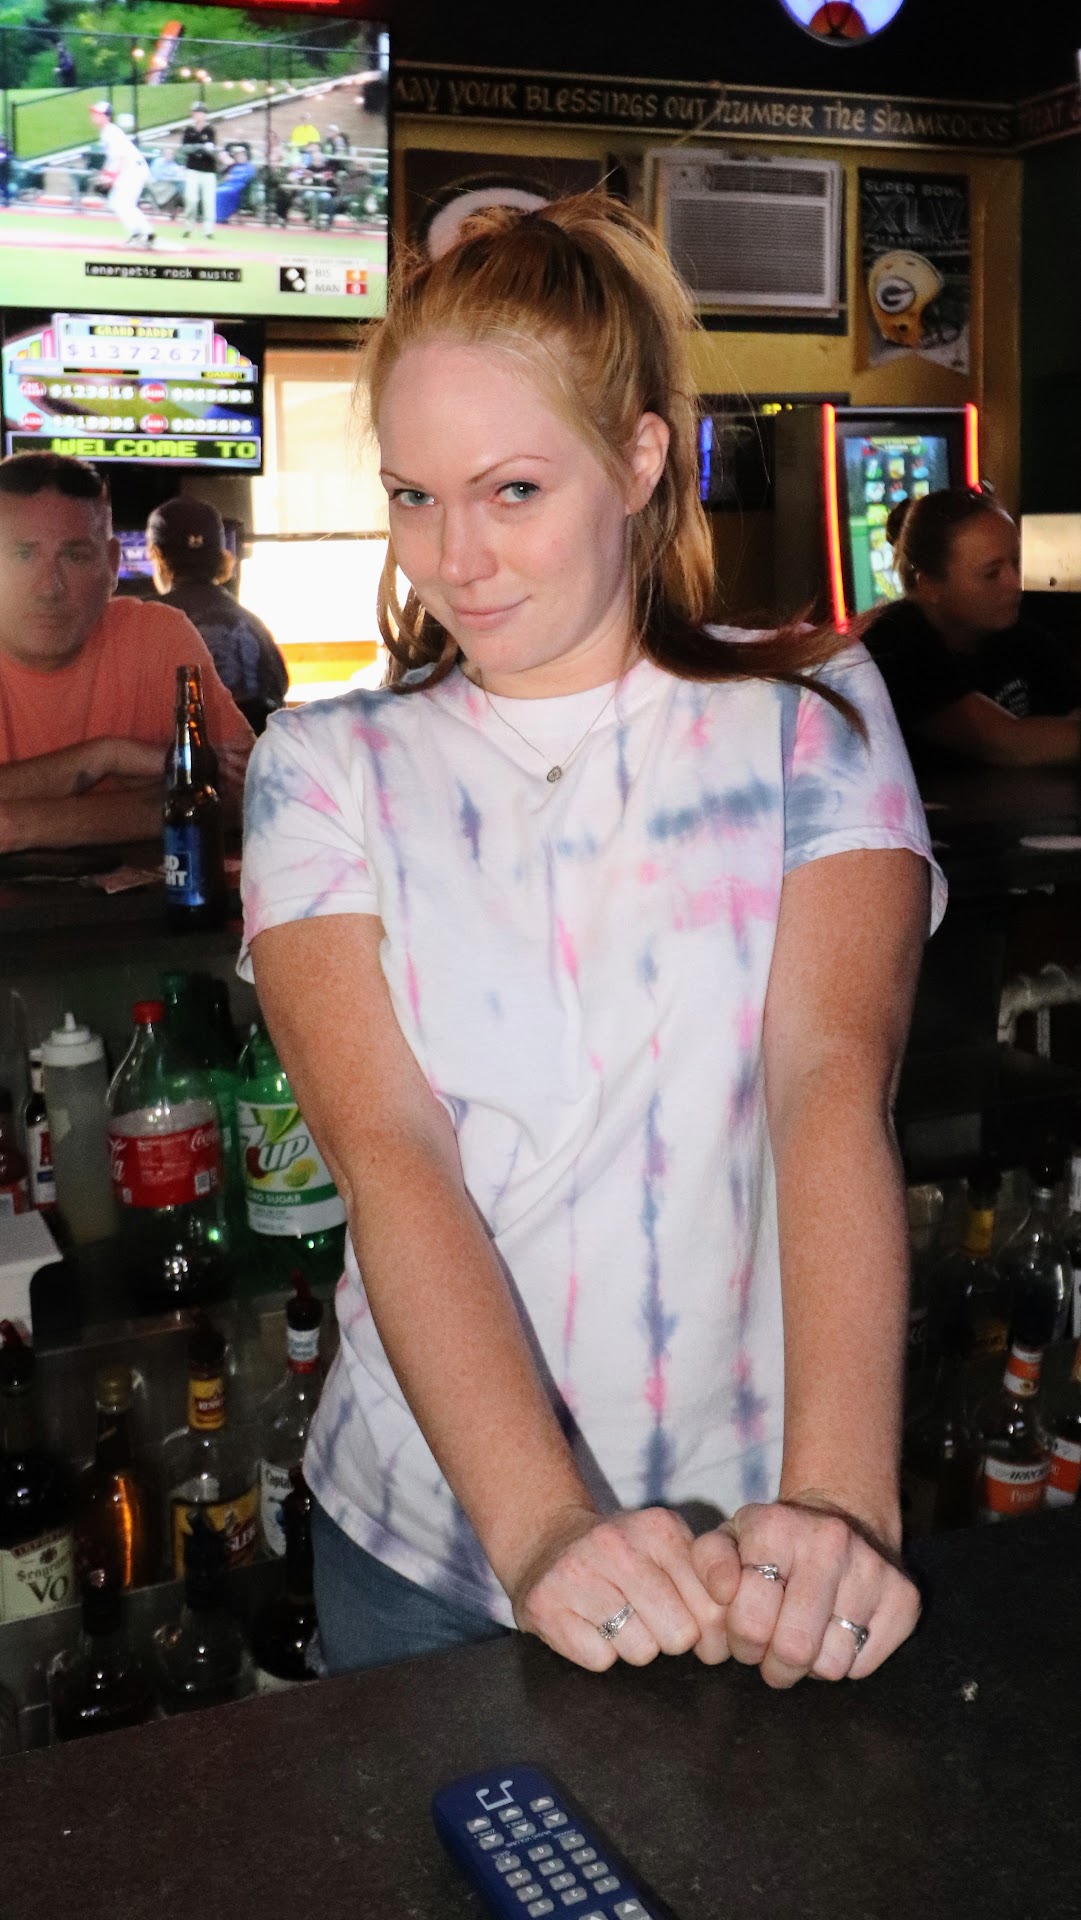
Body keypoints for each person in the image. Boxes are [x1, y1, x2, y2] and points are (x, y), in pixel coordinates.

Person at [240, 196, 944, 1690]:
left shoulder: (810, 714)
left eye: (511, 490)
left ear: (637, 460)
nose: (455, 558)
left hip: (750, 1536)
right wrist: (543, 1525)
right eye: (413, 496)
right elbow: (389, 1153)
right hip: (430, 1539)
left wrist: (836, 1505)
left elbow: (828, 1083)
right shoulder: (323, 767)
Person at [0, 453, 252, 850]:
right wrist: (105, 756)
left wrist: (18, 824)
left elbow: (248, 794)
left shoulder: (157, 636)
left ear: (112, 565)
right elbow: (207, 800)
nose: (49, 588)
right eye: (22, 554)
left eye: (76, 556)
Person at [865, 488, 1081, 772]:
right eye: (991, 574)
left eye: (1016, 562)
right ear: (928, 585)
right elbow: (1003, 743)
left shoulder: (1015, 630)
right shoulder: (893, 642)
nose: (1015, 583)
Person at [147, 496, 288, 728]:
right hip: (256, 749)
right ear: (223, 557)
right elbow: (277, 694)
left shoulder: (143, 621)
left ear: (157, 555)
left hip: (181, 749)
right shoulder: (254, 625)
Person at [88, 102, 154, 249]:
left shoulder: (111, 132)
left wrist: (111, 177)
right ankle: (143, 234)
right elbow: (113, 158)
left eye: (97, 113)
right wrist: (105, 174)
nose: (93, 116)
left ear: (106, 116)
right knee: (119, 202)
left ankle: (143, 234)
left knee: (122, 203)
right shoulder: (107, 131)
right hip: (130, 169)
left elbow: (121, 157)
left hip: (133, 169)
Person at [177, 102, 217, 241]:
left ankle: (208, 231)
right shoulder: (189, 130)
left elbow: (210, 149)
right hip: (192, 168)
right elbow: (184, 149)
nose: (196, 115)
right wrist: (200, 147)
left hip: (208, 169)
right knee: (191, 199)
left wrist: (195, 148)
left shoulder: (210, 130)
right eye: (195, 113)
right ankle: (188, 227)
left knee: (208, 201)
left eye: (199, 113)